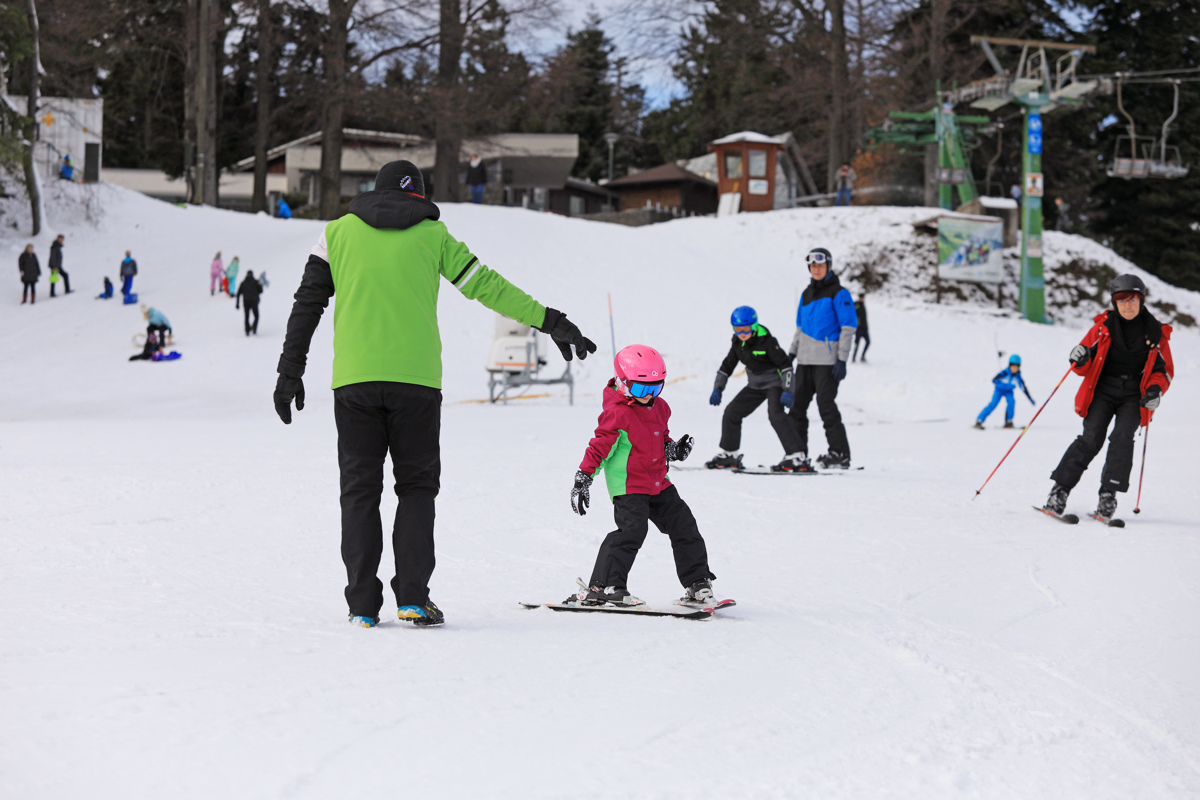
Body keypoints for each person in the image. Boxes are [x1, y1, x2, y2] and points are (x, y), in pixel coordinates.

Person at [274, 159, 597, 629]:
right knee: (416, 489)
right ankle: (412, 597)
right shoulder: (433, 235)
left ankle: (362, 605)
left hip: (355, 383)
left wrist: (290, 368)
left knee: (359, 491)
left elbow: (308, 302)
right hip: (417, 385)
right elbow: (487, 286)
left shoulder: (336, 234)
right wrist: (550, 320)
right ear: (418, 197)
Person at [569, 344, 715, 607]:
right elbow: (599, 447)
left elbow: (660, 438)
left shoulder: (660, 408)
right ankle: (605, 586)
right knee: (632, 530)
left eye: (656, 388)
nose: (648, 395)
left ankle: (698, 584)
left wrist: (672, 450)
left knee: (684, 524)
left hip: (658, 482)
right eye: (640, 389)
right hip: (629, 485)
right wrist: (584, 478)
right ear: (623, 383)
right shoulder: (617, 414)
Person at [1043, 274, 1173, 523]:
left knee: (1122, 438)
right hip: (1102, 390)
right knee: (1091, 438)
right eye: (1122, 300)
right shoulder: (1103, 327)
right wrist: (1079, 356)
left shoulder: (1156, 332)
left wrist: (1155, 390)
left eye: (1132, 300)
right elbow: (1081, 362)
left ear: (1141, 300)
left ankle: (1107, 496)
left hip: (1134, 395)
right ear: (1114, 302)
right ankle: (1059, 491)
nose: (1127, 306)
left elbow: (1164, 371)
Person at [705, 306, 807, 472]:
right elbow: (727, 366)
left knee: (776, 415)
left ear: (754, 326)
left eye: (746, 329)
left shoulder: (767, 341)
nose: (742, 333)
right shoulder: (738, 343)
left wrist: (788, 390)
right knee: (732, 412)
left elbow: (786, 366)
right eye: (738, 329)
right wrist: (718, 388)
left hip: (774, 384)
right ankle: (730, 453)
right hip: (754, 386)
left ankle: (797, 456)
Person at [787, 247, 857, 469]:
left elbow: (848, 328)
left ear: (828, 266)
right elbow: (800, 329)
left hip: (827, 363)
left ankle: (839, 454)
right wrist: (791, 354)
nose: (816, 269)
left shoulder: (839, 293)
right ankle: (798, 453)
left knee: (826, 406)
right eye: (813, 266)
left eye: (820, 265)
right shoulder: (806, 294)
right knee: (796, 407)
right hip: (805, 362)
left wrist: (842, 360)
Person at [974, 355, 1034, 429]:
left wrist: (1030, 399)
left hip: (1009, 391)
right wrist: (1000, 378)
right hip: (999, 390)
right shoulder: (1004, 372)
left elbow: (1024, 389)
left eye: (1016, 367)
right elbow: (994, 380)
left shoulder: (1018, 377)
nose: (1014, 368)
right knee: (993, 404)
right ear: (1010, 365)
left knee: (1011, 402)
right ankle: (979, 420)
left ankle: (1009, 421)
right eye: (1013, 366)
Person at [235, 269, 263, 335]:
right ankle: (254, 328)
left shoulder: (243, 283)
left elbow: (238, 293)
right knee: (256, 316)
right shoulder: (256, 282)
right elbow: (260, 291)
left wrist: (237, 303)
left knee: (246, 316)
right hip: (254, 301)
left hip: (246, 302)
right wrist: (259, 284)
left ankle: (247, 330)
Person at [852, 293, 869, 362]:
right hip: (858, 328)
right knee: (857, 343)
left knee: (868, 342)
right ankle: (853, 357)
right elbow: (851, 312)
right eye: (861, 298)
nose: (862, 299)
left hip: (864, 328)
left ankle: (862, 356)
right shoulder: (857, 305)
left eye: (863, 298)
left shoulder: (863, 305)